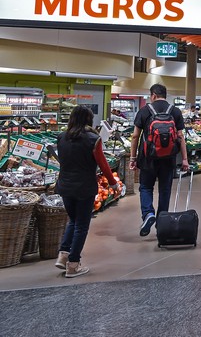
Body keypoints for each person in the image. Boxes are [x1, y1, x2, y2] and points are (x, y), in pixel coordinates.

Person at [54, 106, 120, 278]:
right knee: (82, 225)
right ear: (89, 120)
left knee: (73, 221)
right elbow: (103, 164)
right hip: (84, 187)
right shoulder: (93, 139)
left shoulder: (61, 137)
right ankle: (73, 264)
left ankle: (63, 255)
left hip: (65, 186)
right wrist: (113, 184)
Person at [129, 84, 189, 237]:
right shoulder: (174, 111)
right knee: (165, 190)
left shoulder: (144, 111)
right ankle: (162, 224)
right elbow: (181, 137)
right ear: (165, 95)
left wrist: (133, 158)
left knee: (146, 188)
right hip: (168, 159)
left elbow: (135, 136)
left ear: (153, 95)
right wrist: (184, 159)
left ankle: (148, 213)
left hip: (148, 158)